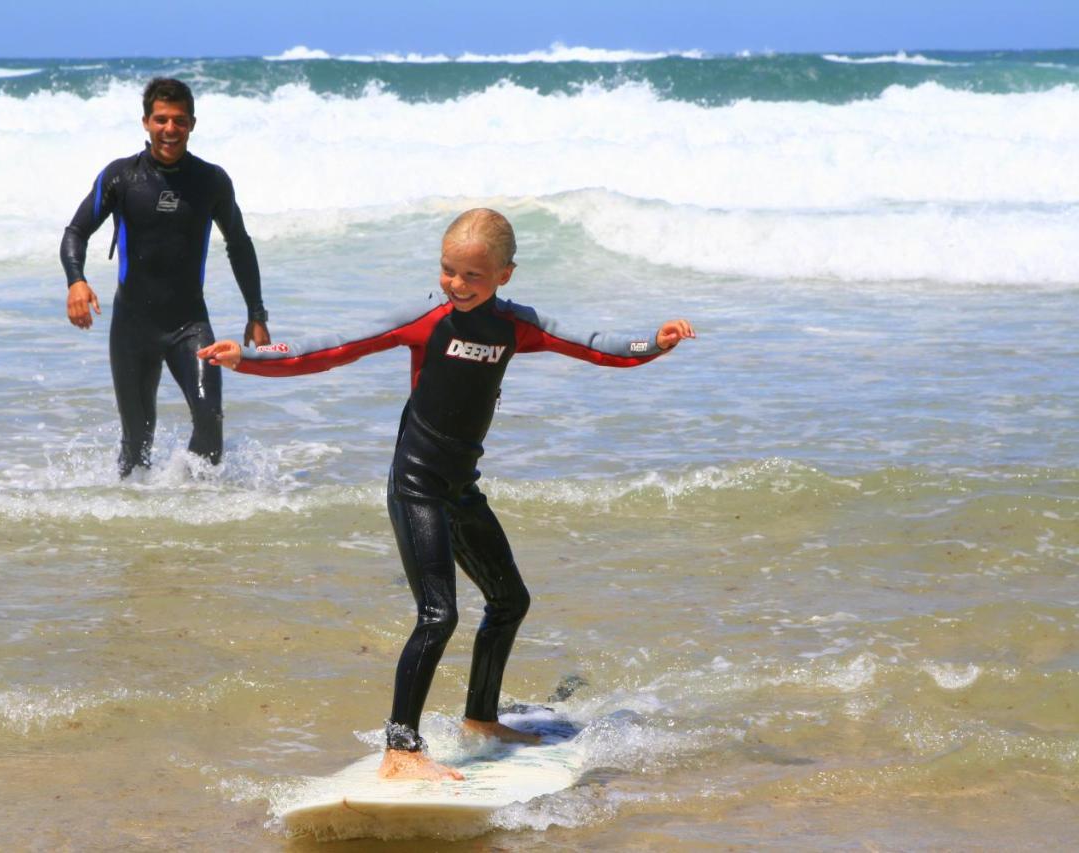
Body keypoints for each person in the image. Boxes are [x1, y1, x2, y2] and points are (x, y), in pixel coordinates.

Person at [198, 209, 695, 781]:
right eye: (448, 271)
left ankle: (481, 719)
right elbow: (333, 348)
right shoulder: (428, 318)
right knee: (438, 614)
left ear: (504, 276)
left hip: (460, 487)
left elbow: (593, 344)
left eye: (471, 277)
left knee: (510, 601)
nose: (456, 285)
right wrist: (249, 358)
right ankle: (400, 749)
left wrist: (653, 342)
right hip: (415, 482)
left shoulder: (516, 326)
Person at [60, 77, 270, 477]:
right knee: (136, 444)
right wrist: (76, 280)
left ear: (192, 124)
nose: (169, 130)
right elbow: (76, 232)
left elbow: (239, 244)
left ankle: (190, 508)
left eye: (179, 121)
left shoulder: (211, 181)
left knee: (210, 422)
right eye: (161, 120)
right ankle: (139, 526)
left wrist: (256, 313)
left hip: (189, 325)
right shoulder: (121, 177)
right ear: (146, 122)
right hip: (132, 328)